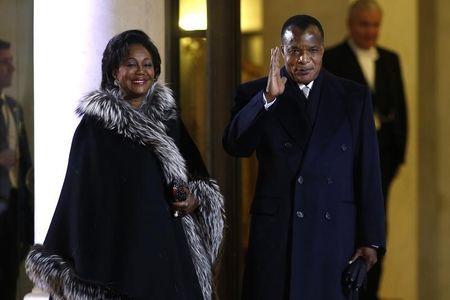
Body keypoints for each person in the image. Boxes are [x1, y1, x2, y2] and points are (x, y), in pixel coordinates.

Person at [25, 30, 225, 300]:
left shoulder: (169, 120)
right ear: (114, 72)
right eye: (130, 64)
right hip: (117, 253)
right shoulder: (95, 128)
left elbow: (192, 178)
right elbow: (81, 198)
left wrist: (191, 198)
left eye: (147, 64)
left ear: (155, 71)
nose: (140, 71)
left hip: (167, 249)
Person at [223, 15, 385, 299]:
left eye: (312, 50)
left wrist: (370, 241)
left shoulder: (352, 96)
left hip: (333, 233)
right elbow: (236, 146)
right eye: (294, 50)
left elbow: (368, 171)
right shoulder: (255, 93)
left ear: (322, 51)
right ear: (282, 52)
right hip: (279, 234)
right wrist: (267, 100)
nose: (303, 59)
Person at [323, 1, 407, 298]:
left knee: (376, 232)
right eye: (364, 24)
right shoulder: (332, 59)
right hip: (344, 163)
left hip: (382, 163)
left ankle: (372, 293)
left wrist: (393, 160)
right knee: (345, 230)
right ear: (351, 24)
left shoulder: (390, 60)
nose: (370, 31)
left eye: (374, 25)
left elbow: (400, 113)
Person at [0, 39, 33, 300]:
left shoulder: (14, 107)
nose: (11, 68)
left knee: (10, 272)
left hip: (14, 203)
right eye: (5, 62)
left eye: (11, 62)